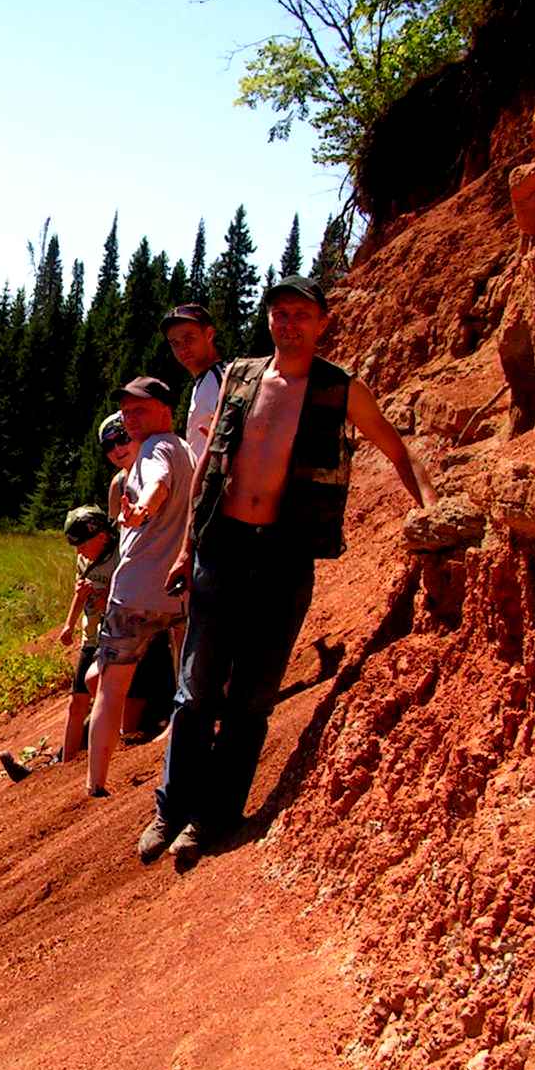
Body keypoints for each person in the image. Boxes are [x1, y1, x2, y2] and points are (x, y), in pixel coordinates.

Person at [137, 275, 433, 867]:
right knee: (195, 689)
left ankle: (212, 817)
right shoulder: (242, 378)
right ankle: (171, 809)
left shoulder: (340, 389)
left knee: (250, 696)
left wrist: (431, 506)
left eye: (301, 314)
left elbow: (398, 451)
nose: (288, 323)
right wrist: (185, 549)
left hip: (284, 555)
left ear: (323, 322)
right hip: (222, 547)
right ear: (268, 321)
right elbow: (209, 471)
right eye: (279, 313)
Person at [86, 376, 192, 799]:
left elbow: (156, 481)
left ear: (165, 409)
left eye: (139, 410)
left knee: (110, 689)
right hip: (179, 590)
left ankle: (95, 783)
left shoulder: (155, 448)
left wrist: (143, 508)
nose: (130, 420)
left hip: (133, 593)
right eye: (126, 412)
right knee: (184, 679)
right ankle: (177, 756)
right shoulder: (187, 449)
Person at [0, 503, 117, 783]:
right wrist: (68, 624)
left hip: (115, 635)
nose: (78, 551)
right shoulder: (85, 560)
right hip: (91, 636)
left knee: (102, 698)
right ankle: (63, 765)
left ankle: (84, 759)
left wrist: (106, 599)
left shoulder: (120, 554)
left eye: (82, 544)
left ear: (100, 535)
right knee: (76, 702)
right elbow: (80, 592)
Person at [161, 303, 225, 464]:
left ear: (209, 334)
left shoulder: (222, 380)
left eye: (189, 338)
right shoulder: (204, 381)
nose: (183, 349)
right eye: (175, 343)